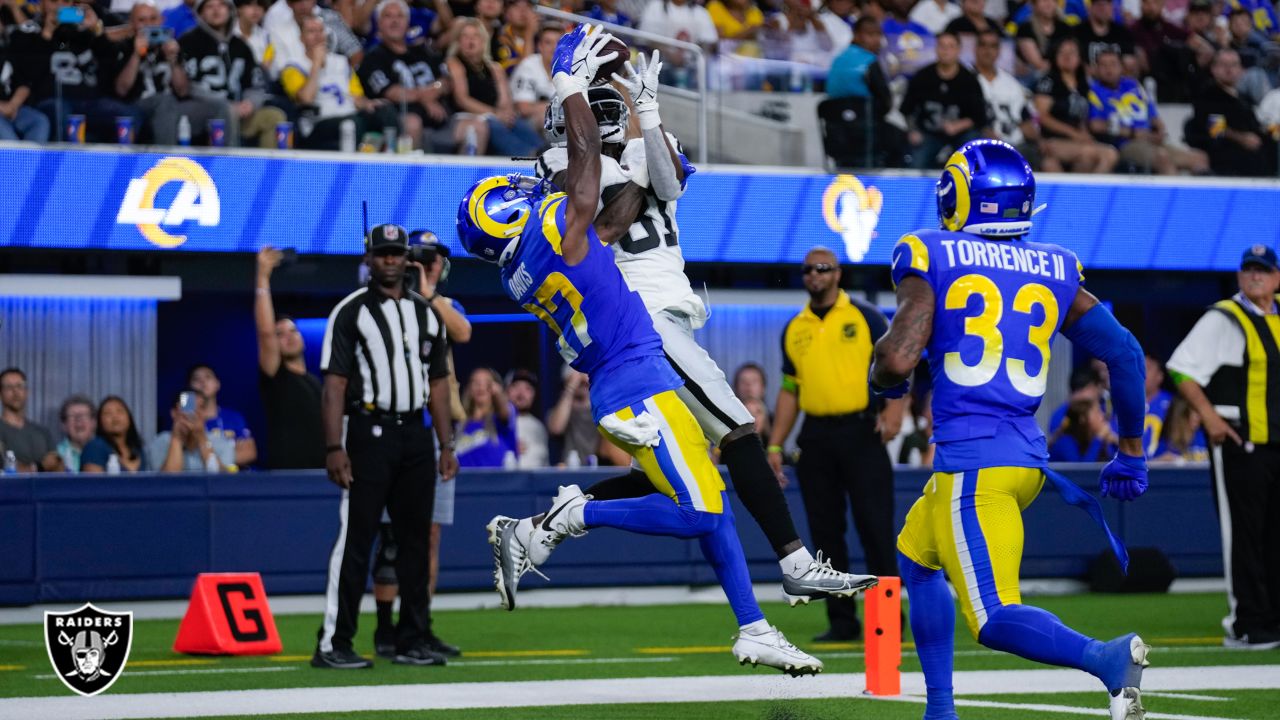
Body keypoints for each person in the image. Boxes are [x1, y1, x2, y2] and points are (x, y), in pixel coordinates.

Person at [465, 24, 824, 676]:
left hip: (626, 373)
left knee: (707, 498)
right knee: (702, 508)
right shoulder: (548, 231)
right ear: (504, 215)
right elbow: (580, 188)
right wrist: (571, 81)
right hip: (636, 376)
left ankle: (754, 627)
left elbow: (605, 221)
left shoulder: (525, 259)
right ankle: (578, 512)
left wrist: (634, 162)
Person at [538, 54, 875, 606]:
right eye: (593, 109)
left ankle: (554, 517)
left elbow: (668, 186)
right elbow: (597, 230)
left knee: (664, 475)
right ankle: (794, 562)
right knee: (739, 428)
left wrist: (649, 114)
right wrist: (635, 170)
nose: (605, 117)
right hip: (638, 317)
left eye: (610, 106)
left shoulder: (638, 146)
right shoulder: (563, 166)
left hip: (669, 314)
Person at [869, 139, 1151, 720]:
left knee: (994, 617)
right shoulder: (1056, 265)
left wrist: (886, 382)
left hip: (974, 466)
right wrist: (1130, 451)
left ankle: (1106, 657)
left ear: (957, 195)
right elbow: (1125, 354)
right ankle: (940, 709)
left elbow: (897, 359)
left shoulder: (931, 251)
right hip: (1023, 461)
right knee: (916, 560)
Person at [314, 223, 457, 670]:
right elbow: (334, 384)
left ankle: (413, 637)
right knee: (357, 540)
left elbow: (438, 381)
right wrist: (333, 447)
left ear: (406, 258)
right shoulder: (350, 311)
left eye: (397, 253)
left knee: (415, 541)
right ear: (369, 258)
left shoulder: (426, 313)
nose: (390, 260)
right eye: (382, 254)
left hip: (415, 433)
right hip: (369, 432)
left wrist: (446, 443)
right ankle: (334, 642)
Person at [765, 248, 903, 642]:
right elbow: (791, 390)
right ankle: (842, 622)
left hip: (861, 432)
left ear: (838, 274)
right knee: (826, 537)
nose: (814, 275)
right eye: (808, 269)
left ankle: (888, 622)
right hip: (815, 436)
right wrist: (775, 445)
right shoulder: (795, 327)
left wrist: (894, 411)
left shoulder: (866, 317)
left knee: (875, 530)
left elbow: (898, 363)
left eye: (822, 268)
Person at [1166, 243, 1280, 649]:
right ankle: (1249, 623)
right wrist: (1209, 416)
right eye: (1249, 270)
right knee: (1245, 536)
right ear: (1238, 276)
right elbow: (1180, 368)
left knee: (1273, 535)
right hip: (1240, 442)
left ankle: (1274, 618)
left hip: (1276, 444)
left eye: (1263, 271)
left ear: (1277, 277)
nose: (1255, 277)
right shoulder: (1224, 318)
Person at [1087, 44, 1209, 174]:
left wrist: (1160, 131)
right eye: (1103, 65)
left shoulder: (1133, 85)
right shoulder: (1094, 91)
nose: (1108, 69)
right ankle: (1174, 194)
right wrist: (1132, 133)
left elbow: (1153, 115)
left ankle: (1195, 194)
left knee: (1200, 158)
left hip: (1150, 140)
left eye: (1113, 64)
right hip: (1125, 144)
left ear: (1121, 67)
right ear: (1096, 69)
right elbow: (1096, 125)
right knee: (1162, 158)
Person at [179, 0, 286, 147]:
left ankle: (269, 169)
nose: (216, 10)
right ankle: (229, 168)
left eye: (221, 5)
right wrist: (227, 105)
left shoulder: (241, 46)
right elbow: (190, 86)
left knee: (274, 116)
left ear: (230, 10)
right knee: (225, 112)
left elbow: (255, 83)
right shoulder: (188, 41)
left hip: (240, 111)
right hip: (202, 111)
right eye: (210, 6)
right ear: (201, 13)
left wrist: (250, 103)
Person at [256, 246, 326, 470]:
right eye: (280, 334)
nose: (287, 337)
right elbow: (265, 333)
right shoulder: (276, 377)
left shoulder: (316, 383)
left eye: (292, 331)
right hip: (286, 479)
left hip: (322, 476)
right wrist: (262, 276)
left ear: (303, 339)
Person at [281, 15, 397, 149]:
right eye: (311, 32)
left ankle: (391, 159)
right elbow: (306, 99)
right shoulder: (293, 67)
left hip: (351, 114)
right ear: (301, 38)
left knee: (385, 111)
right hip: (319, 123)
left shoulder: (341, 62)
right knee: (352, 124)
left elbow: (356, 97)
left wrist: (368, 104)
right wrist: (317, 64)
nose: (318, 36)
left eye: (320, 31)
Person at [445, 17, 541, 156]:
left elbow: (505, 101)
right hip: (464, 117)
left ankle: (544, 153)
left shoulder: (494, 68)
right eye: (465, 36)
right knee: (491, 123)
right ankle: (527, 156)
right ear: (458, 41)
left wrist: (506, 114)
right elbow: (462, 99)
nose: (470, 40)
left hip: (494, 115)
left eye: (475, 36)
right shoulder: (454, 63)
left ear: (483, 40)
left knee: (517, 123)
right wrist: (495, 114)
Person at [900, 30, 990, 169]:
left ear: (958, 50)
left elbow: (980, 117)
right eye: (942, 46)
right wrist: (913, 131)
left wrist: (958, 126)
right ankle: (915, 190)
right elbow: (907, 109)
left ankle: (969, 188)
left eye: (951, 46)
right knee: (916, 161)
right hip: (928, 134)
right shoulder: (922, 77)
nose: (946, 51)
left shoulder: (969, 80)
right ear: (936, 49)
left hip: (961, 135)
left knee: (972, 148)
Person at [1185, 49, 1278, 177]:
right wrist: (1242, 139)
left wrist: (1274, 130)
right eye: (1224, 65)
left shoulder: (1243, 98)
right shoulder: (1207, 95)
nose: (1229, 70)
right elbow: (1214, 127)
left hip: (1255, 151)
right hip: (1224, 152)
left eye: (1234, 65)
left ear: (1241, 70)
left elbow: (1257, 126)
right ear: (1214, 69)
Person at [1034, 37, 1119, 173]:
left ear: (1080, 57)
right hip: (1053, 139)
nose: (1067, 57)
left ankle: (1086, 194)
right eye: (1062, 53)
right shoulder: (1048, 82)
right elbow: (1041, 116)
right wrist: (1074, 133)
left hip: (1077, 140)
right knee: (1098, 153)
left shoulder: (1083, 85)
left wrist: (1085, 134)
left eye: (1072, 53)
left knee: (1099, 157)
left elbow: (1081, 118)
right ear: (1055, 56)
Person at [975, 29, 1041, 167]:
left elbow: (1025, 118)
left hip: (1016, 146)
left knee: (1044, 158)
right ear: (976, 48)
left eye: (993, 46)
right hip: (981, 145)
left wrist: (1039, 139)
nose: (988, 51)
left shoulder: (1011, 83)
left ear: (999, 51)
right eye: (983, 45)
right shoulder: (965, 79)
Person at [148, 390, 236, 472]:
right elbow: (165, 483)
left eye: (200, 408)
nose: (194, 413)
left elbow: (222, 482)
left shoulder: (221, 442)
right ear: (174, 413)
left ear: (206, 413)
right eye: (188, 407)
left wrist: (202, 438)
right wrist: (176, 438)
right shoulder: (161, 441)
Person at [189, 363, 256, 468]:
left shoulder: (234, 418)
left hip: (233, 480)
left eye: (208, 377)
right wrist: (229, 453)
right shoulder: (187, 420)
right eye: (196, 379)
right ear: (190, 386)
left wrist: (208, 459)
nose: (202, 382)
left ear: (217, 384)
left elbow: (249, 453)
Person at [456, 367, 518, 467]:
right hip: (466, 480)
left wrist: (497, 392)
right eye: (476, 382)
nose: (481, 386)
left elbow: (505, 412)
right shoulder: (460, 424)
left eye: (487, 383)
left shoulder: (500, 418)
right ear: (469, 389)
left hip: (499, 480)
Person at [0, 368, 57, 472]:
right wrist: (39, 466)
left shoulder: (42, 432)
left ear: (26, 391)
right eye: (9, 387)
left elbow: (57, 465)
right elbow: (9, 470)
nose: (15, 392)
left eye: (19, 386)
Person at [81, 396, 149, 473]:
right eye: (108, 413)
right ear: (100, 421)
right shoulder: (95, 447)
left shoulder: (138, 450)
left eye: (120, 411)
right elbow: (93, 483)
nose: (115, 418)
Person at [1047, 392, 1118, 461]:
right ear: (1083, 419)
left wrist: (1115, 442)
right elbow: (1082, 471)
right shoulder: (1064, 442)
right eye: (1097, 412)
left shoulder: (1089, 438)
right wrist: (1098, 439)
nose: (1102, 416)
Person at [507, 369, 549, 468]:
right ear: (506, 391)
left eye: (527, 388)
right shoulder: (496, 422)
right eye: (516, 386)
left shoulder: (539, 427)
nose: (521, 393)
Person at [55, 395, 96, 473]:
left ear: (93, 423)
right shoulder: (56, 455)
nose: (79, 421)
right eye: (73, 416)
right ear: (64, 425)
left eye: (84, 416)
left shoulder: (105, 451)